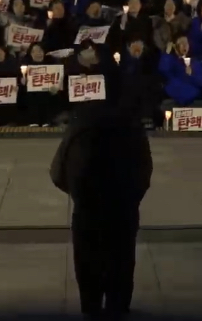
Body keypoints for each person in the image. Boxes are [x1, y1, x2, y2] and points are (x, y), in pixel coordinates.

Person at [51, 104, 153, 320]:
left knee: (87, 256)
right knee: (122, 255)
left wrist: (76, 193)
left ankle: (91, 304)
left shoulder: (80, 127)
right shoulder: (132, 126)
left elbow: (58, 171)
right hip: (123, 204)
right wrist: (133, 196)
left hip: (87, 205)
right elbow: (145, 169)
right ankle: (118, 303)